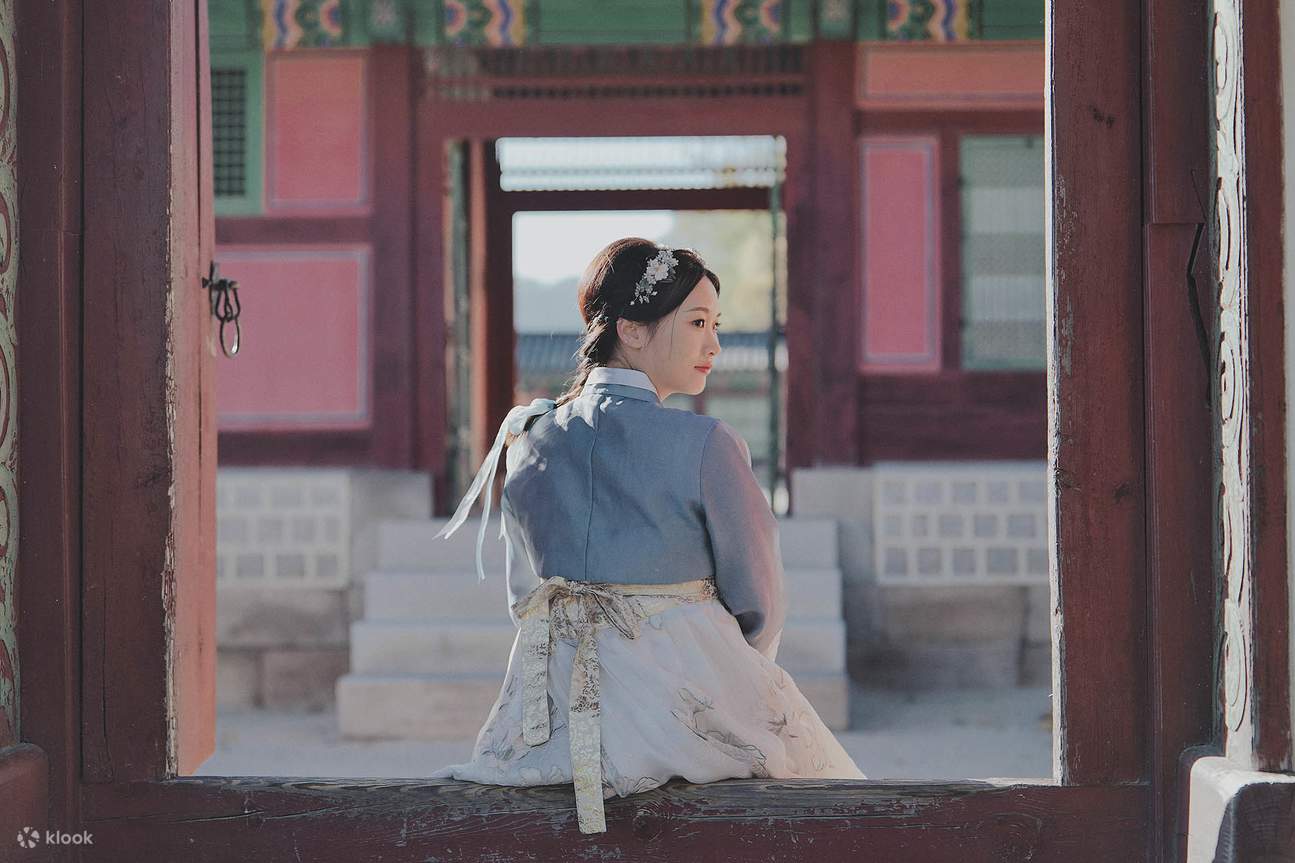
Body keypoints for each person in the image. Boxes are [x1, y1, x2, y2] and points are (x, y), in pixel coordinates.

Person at [428, 238, 865, 834]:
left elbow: (525, 597)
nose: (713, 343)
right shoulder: (706, 444)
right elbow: (759, 601)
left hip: (553, 707)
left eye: (715, 324)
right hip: (684, 693)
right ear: (631, 329)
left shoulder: (530, 438)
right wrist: (730, 673)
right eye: (697, 322)